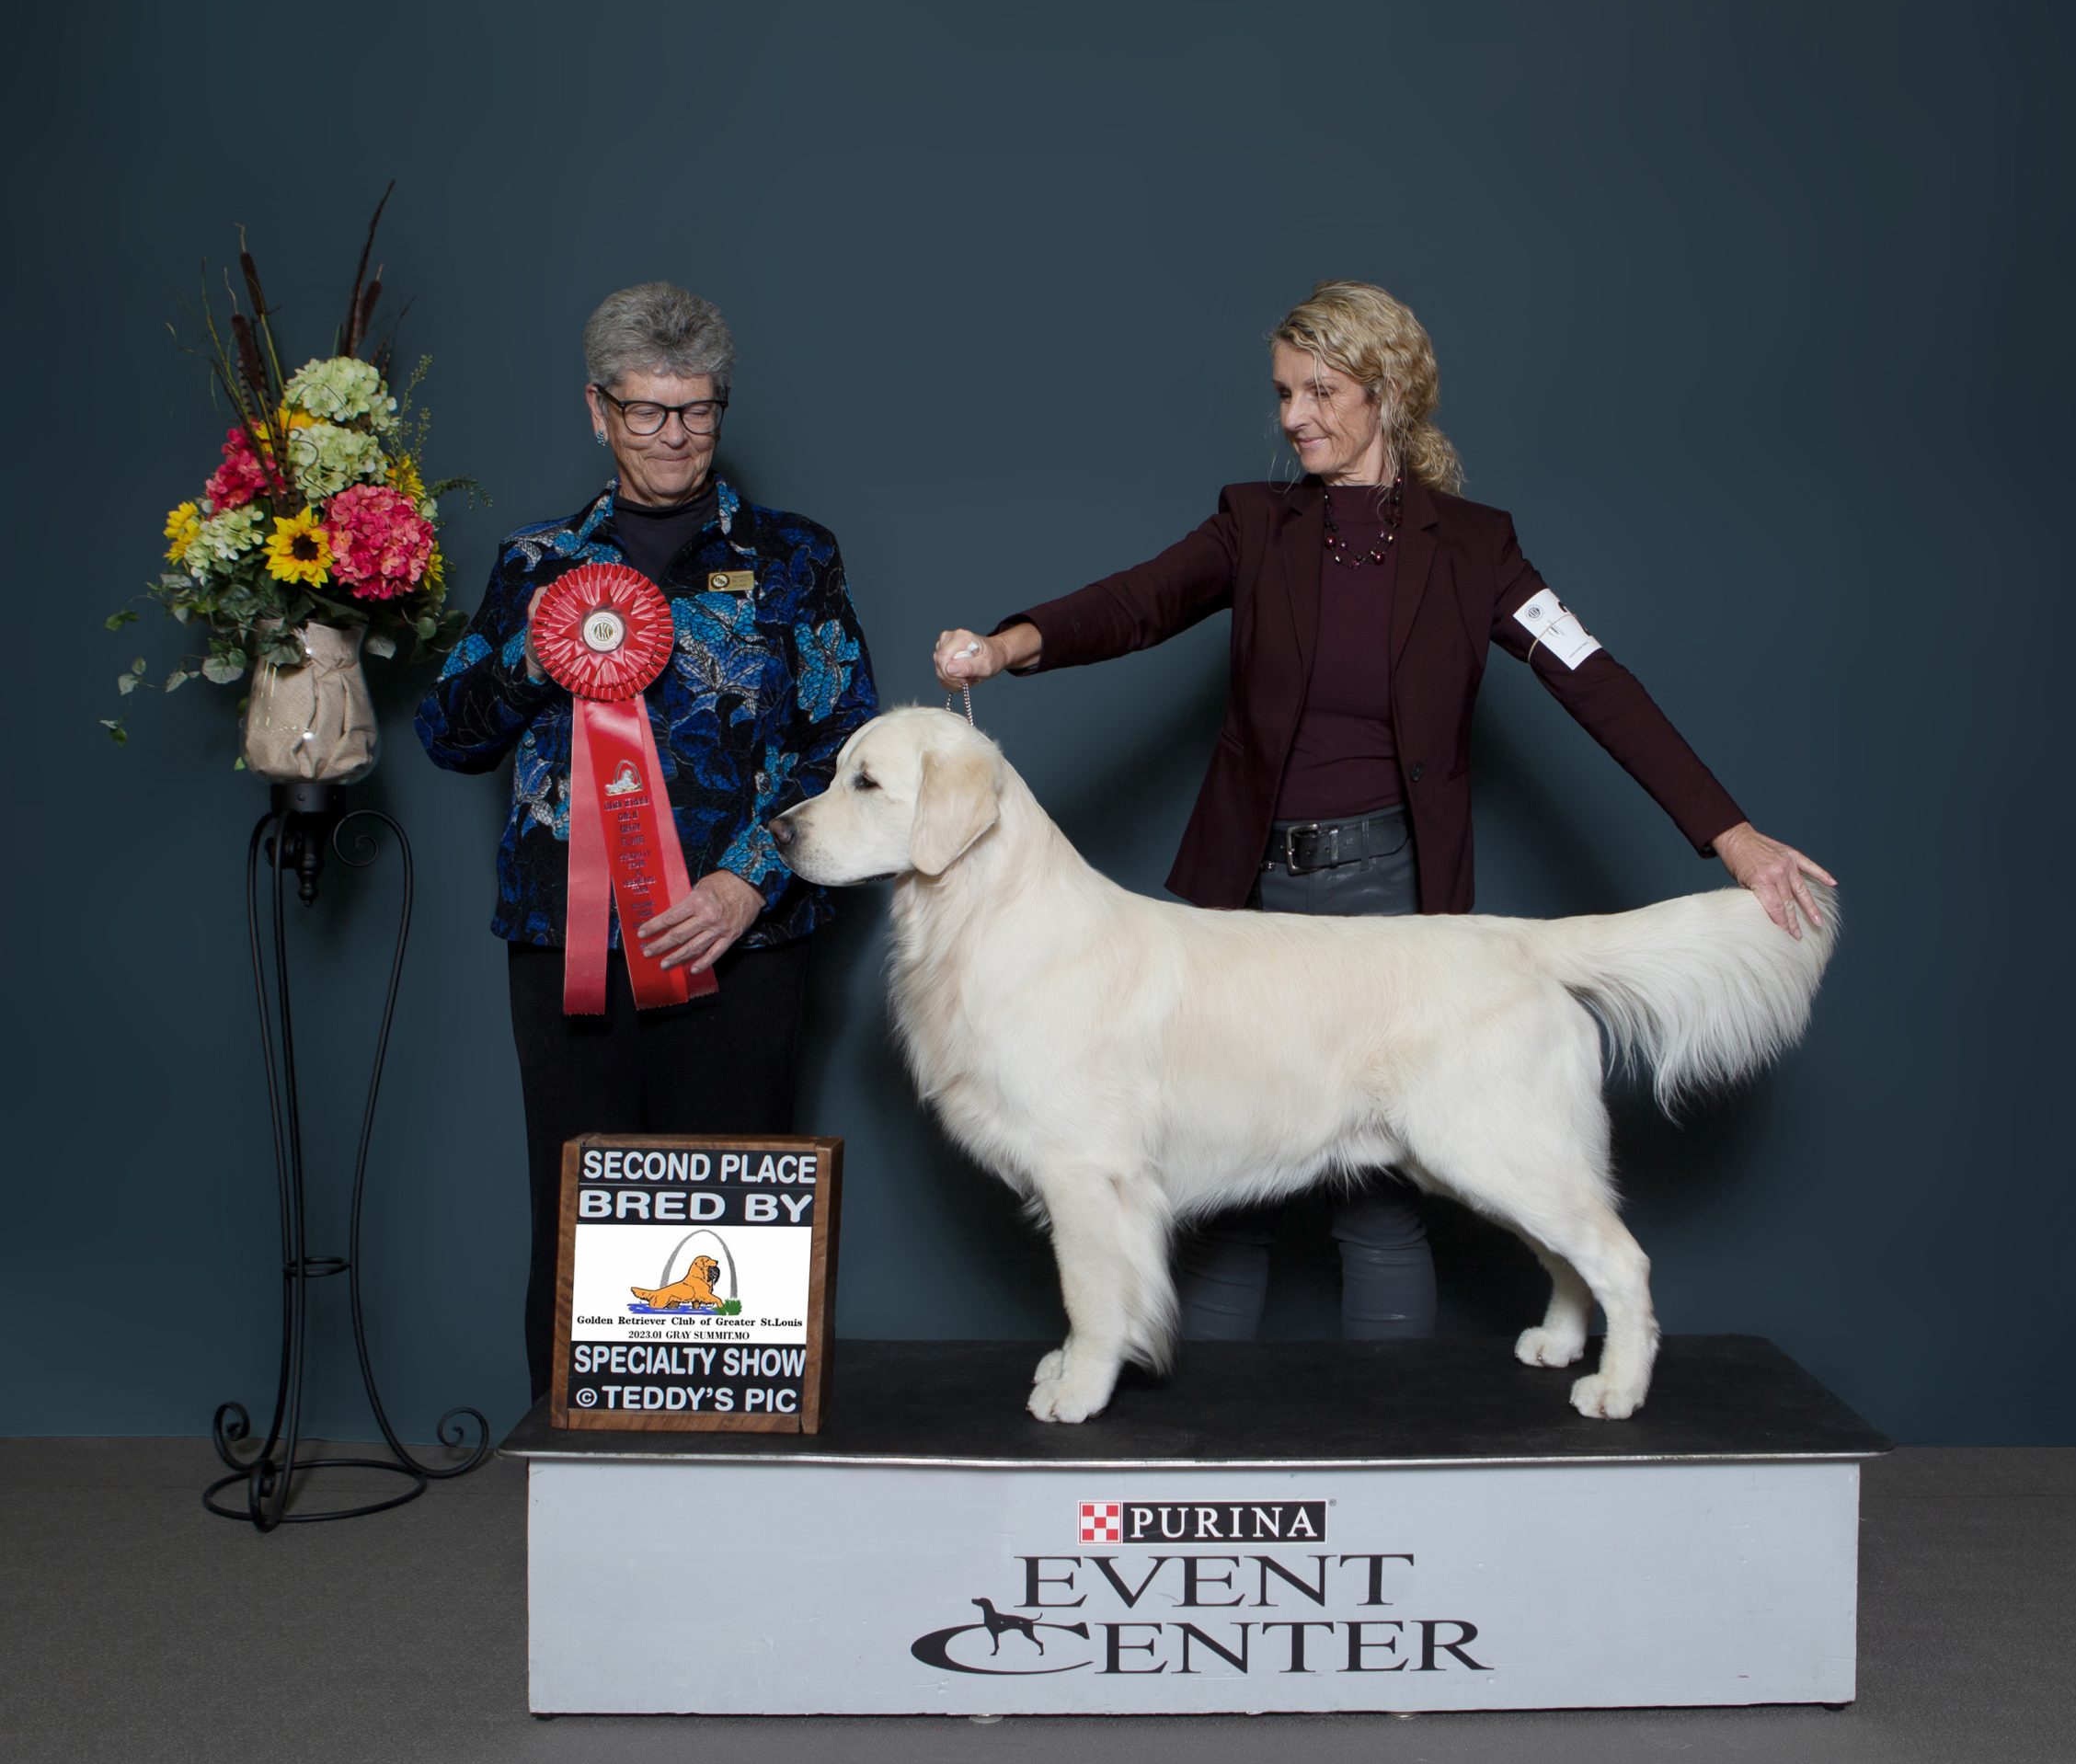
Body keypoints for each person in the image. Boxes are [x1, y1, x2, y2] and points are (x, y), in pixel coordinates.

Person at [934, 279, 1831, 1346]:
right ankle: (1201, 1430)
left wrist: (1730, 834)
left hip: (1388, 897)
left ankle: (1392, 1428)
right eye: (1282, 392)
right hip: (1242, 898)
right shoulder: (1253, 525)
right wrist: (1006, 645)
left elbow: (1593, 681)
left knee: (1383, 1196)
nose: (1293, 415)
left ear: (1387, 391)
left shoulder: (1477, 549)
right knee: (1220, 1202)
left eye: (1320, 391)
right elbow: (1136, 601)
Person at [418, 281, 877, 1396]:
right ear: (598, 410)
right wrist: (536, 654)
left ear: (721, 407)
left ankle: (726, 1468)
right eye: (646, 410)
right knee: (578, 1209)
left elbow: (843, 742)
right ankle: (573, 1457)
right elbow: (448, 735)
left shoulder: (794, 557)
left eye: (697, 409)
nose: (674, 434)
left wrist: (747, 882)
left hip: (741, 944)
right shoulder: (535, 561)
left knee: (730, 1214)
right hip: (564, 943)